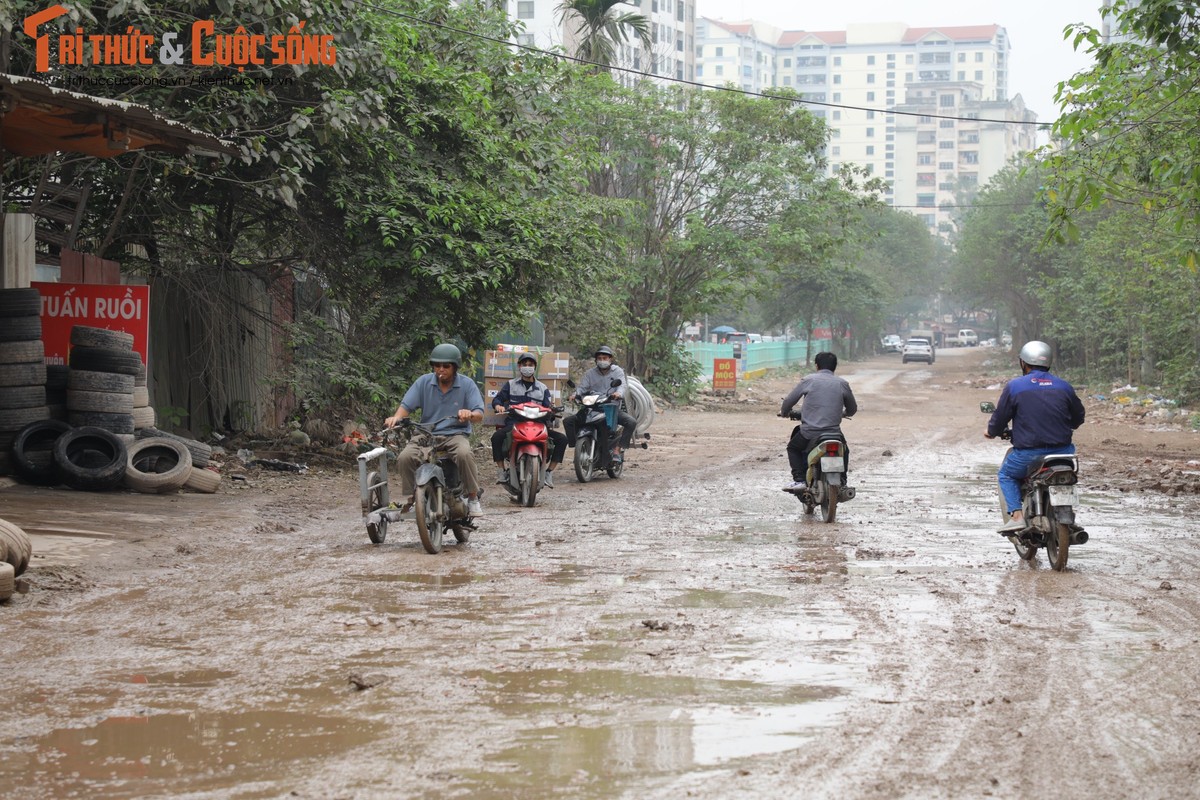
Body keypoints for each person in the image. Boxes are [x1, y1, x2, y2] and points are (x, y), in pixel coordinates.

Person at [985, 340, 1085, 532]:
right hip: (1064, 455)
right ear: (1048, 362)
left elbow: (1000, 417)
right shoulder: (1064, 386)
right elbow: (1078, 417)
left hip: (1028, 454)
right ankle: (1068, 518)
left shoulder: (1015, 386)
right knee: (1065, 479)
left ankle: (1016, 516)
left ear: (1023, 362)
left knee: (1005, 475)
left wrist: (992, 431)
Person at [384, 343, 485, 516]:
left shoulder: (467, 385)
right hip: (426, 433)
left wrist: (469, 414)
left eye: (446, 366)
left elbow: (479, 414)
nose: (441, 369)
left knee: (464, 454)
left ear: (455, 367)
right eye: (437, 365)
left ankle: (473, 497)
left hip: (454, 434)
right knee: (404, 457)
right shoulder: (424, 382)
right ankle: (414, 497)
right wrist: (396, 417)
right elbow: (406, 405)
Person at [780, 351, 857, 490]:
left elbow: (788, 401)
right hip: (834, 434)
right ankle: (843, 481)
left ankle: (799, 480)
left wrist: (784, 412)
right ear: (834, 367)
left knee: (793, 448)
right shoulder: (842, 383)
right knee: (844, 450)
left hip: (809, 433)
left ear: (817, 366)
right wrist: (844, 413)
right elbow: (852, 409)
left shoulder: (808, 380)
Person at [491, 352, 567, 487]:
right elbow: (498, 399)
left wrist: (551, 411)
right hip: (515, 423)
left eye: (530, 365)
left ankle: (549, 472)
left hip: (538, 424)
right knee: (496, 437)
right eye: (524, 364)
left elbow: (547, 406)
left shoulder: (542, 388)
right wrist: (498, 405)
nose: (527, 367)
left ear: (534, 367)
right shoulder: (511, 384)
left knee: (562, 439)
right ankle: (501, 470)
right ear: (519, 366)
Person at [563, 346, 637, 464]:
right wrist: (574, 395)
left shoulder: (617, 371)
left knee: (631, 422)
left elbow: (622, 385)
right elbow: (582, 388)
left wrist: (618, 393)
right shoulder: (590, 373)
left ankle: (618, 449)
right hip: (592, 408)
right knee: (568, 421)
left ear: (610, 359)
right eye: (599, 358)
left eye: (605, 358)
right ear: (596, 360)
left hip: (610, 408)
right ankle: (578, 443)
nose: (602, 360)